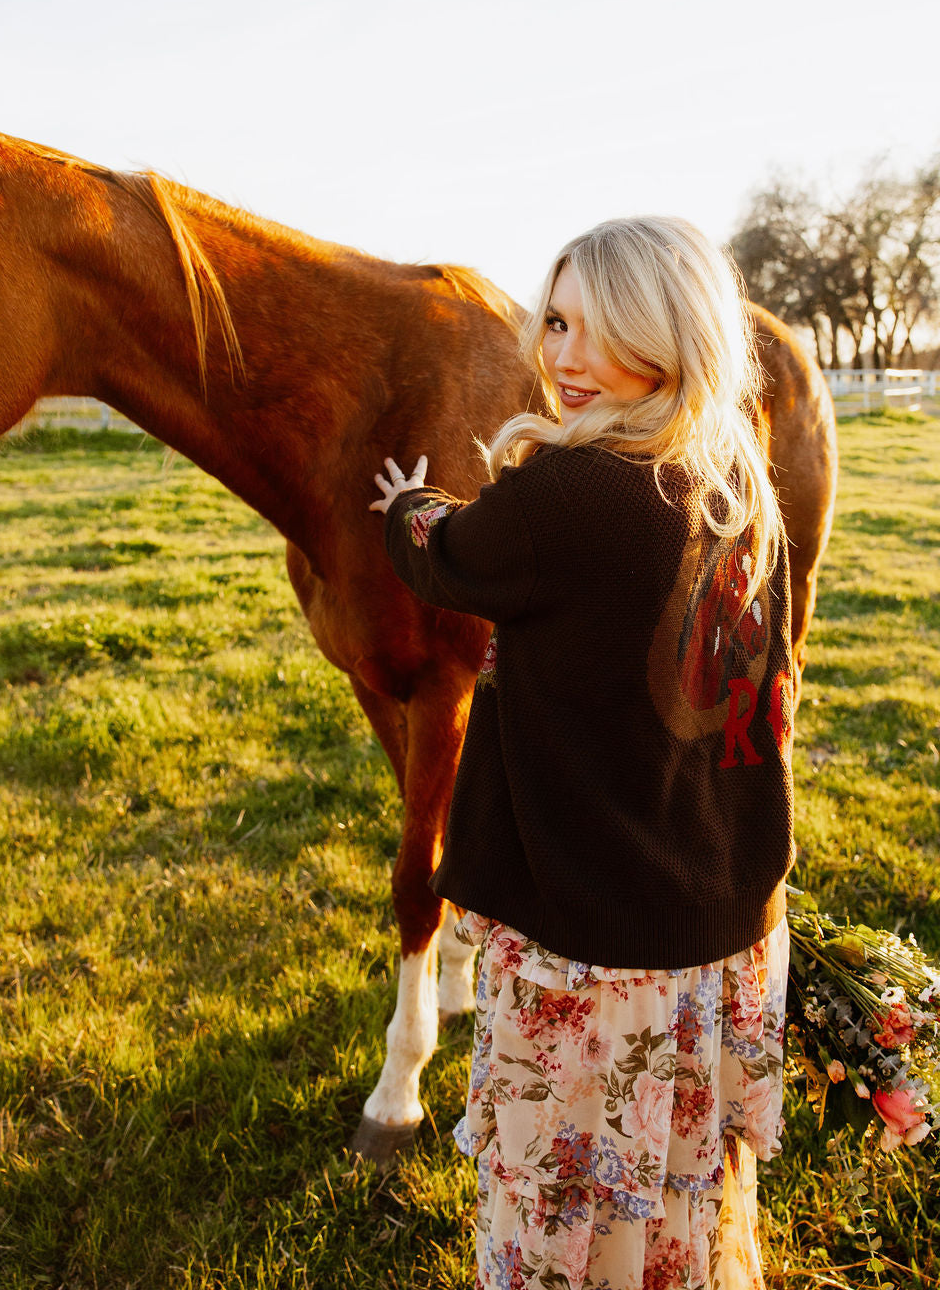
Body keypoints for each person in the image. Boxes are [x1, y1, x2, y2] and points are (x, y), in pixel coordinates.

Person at [370, 216, 795, 1290]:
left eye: (596, 330)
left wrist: (403, 503)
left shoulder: (570, 491)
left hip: (588, 944)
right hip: (716, 932)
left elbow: (450, 555)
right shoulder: (738, 490)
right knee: (670, 1204)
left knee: (561, 1215)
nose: (560, 358)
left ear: (666, 332)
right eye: (552, 321)